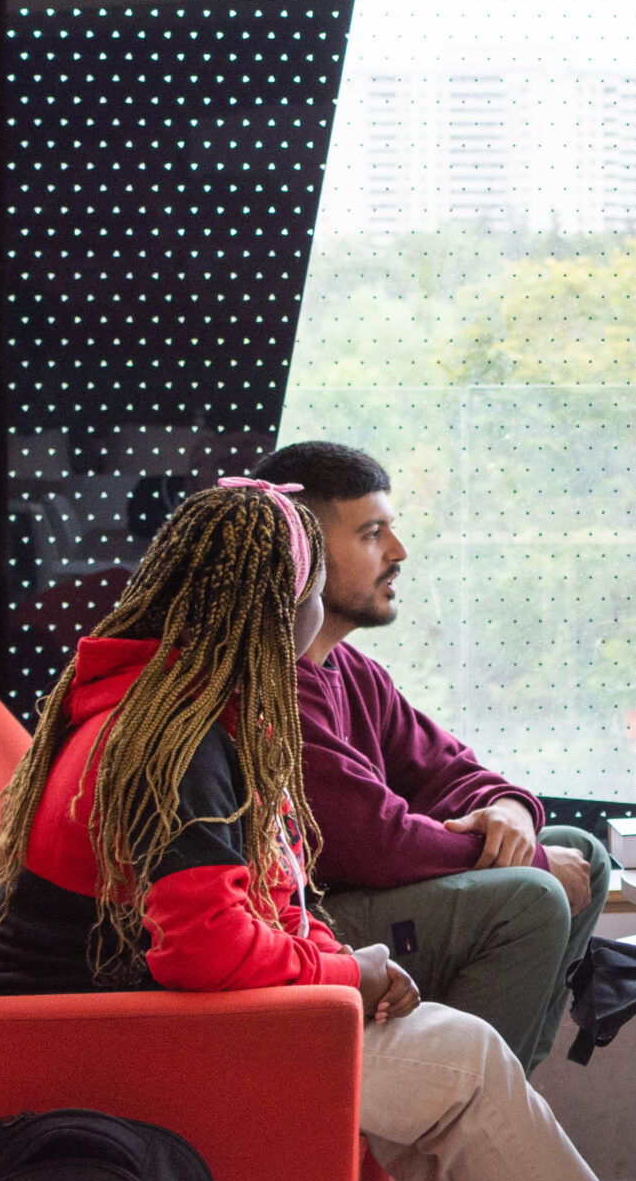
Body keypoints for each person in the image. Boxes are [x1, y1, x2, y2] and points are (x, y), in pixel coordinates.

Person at [0, 480, 622, 1181]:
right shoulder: (179, 745)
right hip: (106, 1039)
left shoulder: (184, 706)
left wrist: (339, 967)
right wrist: (348, 973)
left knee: (452, 1084)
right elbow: (203, 949)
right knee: (466, 1064)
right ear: (284, 607)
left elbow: (266, 895)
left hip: (144, 1014)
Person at [250, 440, 611, 1073]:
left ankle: (494, 1101)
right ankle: (467, 1116)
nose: (398, 553)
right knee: (532, 895)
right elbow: (365, 839)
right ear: (300, 551)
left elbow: (450, 772)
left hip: (361, 899)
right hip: (309, 923)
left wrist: (509, 812)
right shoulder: (271, 678)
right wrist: (522, 854)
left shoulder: (352, 670)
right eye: (371, 534)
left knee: (582, 852)